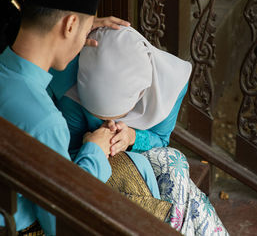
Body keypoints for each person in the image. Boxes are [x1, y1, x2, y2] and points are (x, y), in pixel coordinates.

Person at [0, 0, 168, 235]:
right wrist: (94, 150)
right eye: (84, 30)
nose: (85, 42)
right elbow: (60, 223)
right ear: (69, 25)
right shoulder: (46, 121)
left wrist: (79, 25)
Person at [53, 26, 229, 235]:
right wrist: (92, 143)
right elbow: (70, 154)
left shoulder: (169, 84)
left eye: (118, 114)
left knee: (174, 161)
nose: (110, 122)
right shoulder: (70, 87)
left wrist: (132, 137)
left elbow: (161, 139)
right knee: (181, 179)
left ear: (141, 93)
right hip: (97, 168)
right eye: (99, 115)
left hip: (142, 163)